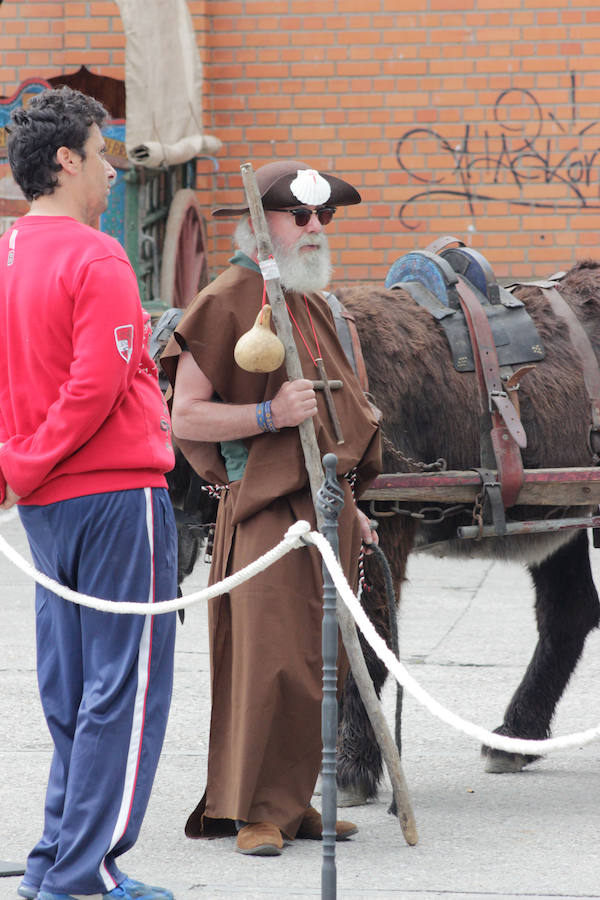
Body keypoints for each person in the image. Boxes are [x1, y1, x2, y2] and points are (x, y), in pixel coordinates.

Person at [161, 159, 381, 856]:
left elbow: (341, 421)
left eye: (324, 216)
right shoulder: (227, 298)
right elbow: (185, 417)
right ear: (263, 223)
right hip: (262, 512)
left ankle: (293, 803)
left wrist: (354, 507)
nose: (316, 228)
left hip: (326, 510)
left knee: (318, 665)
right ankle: (250, 810)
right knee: (265, 663)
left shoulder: (308, 301)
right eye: (301, 215)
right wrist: (267, 414)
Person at [0, 87, 178, 900]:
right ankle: (84, 873)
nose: (112, 170)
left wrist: (17, 468)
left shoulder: (7, 252)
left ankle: (56, 861)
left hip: (43, 502)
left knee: (71, 688)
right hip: (115, 492)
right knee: (124, 688)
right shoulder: (97, 255)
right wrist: (29, 463)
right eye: (102, 154)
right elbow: (97, 386)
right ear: (67, 160)